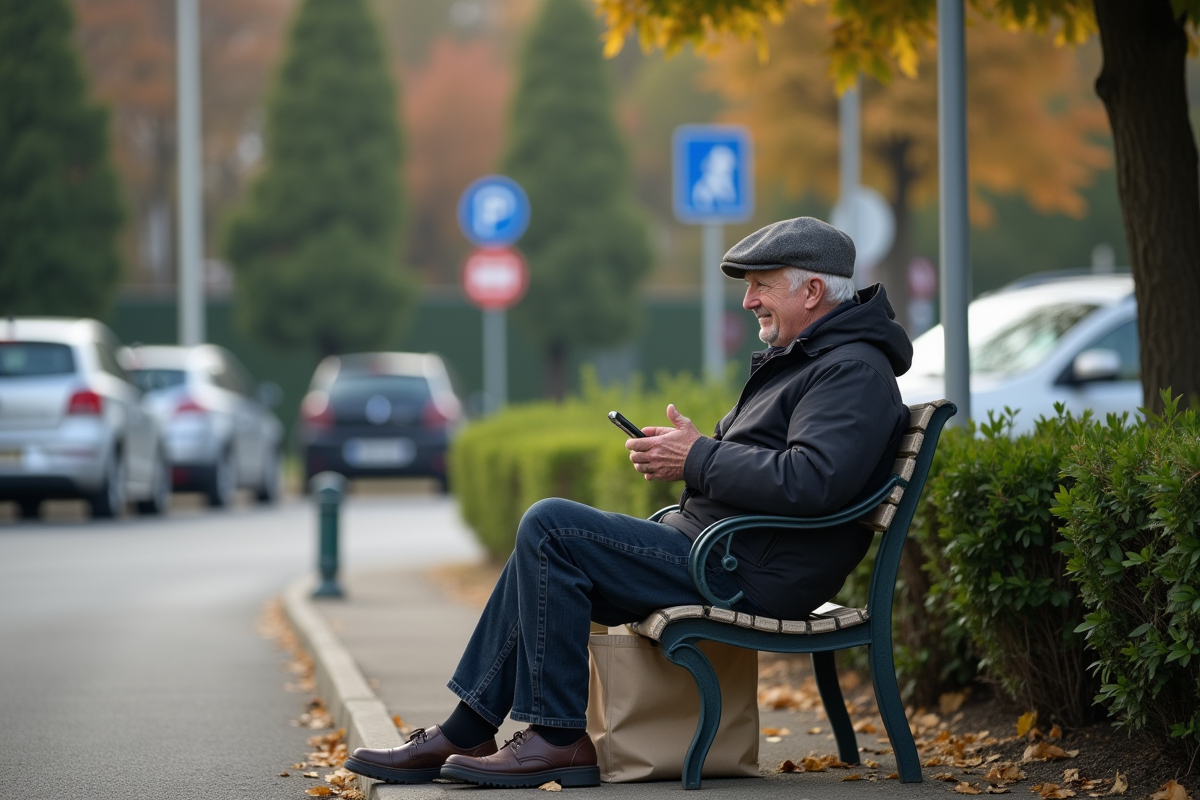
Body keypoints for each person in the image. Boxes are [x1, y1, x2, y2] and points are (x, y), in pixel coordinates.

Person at [344, 216, 913, 789]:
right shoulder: (816, 358)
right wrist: (692, 449)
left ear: (812, 291)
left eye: (760, 285)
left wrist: (696, 458)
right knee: (541, 547)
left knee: (551, 528)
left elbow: (813, 481)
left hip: (749, 569)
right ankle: (470, 728)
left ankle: (558, 740)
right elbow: (782, 466)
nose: (748, 301)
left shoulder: (849, 370)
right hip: (726, 552)